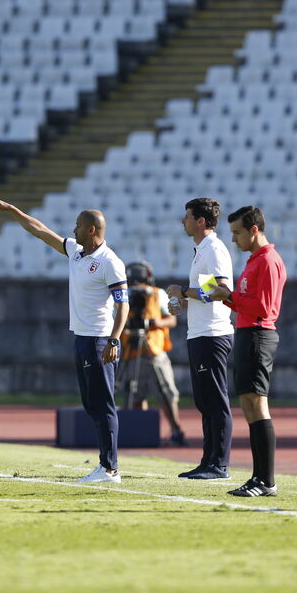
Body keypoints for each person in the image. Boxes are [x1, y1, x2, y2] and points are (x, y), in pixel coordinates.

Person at [0, 200, 128, 483]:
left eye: (77, 225)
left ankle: (110, 468)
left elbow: (123, 305)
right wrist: (15, 211)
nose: (72, 229)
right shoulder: (76, 252)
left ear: (91, 229)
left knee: (103, 405)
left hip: (99, 340)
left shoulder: (110, 262)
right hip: (82, 339)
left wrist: (113, 340)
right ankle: (105, 464)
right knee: (91, 404)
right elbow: (40, 231)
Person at [195, 205, 286, 497]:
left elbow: (265, 308)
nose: (233, 239)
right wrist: (229, 298)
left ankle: (266, 480)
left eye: (237, 233)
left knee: (258, 405)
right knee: (248, 404)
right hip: (248, 332)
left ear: (254, 230)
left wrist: (230, 297)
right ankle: (259, 477)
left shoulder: (268, 261)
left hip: (259, 334)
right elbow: (245, 300)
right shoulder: (253, 260)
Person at [166, 198, 235, 480]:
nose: (183, 221)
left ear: (201, 221)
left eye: (187, 216)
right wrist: (183, 302)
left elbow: (222, 290)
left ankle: (219, 464)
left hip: (213, 334)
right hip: (199, 333)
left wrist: (184, 291)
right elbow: (206, 293)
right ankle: (208, 461)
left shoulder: (214, 249)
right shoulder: (202, 250)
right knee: (204, 401)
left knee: (215, 400)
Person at [120, 260, 187, 446]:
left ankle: (176, 431)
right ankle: (139, 433)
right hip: (133, 350)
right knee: (135, 393)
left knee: (167, 392)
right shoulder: (123, 296)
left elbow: (171, 320)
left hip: (155, 350)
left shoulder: (158, 294)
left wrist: (153, 323)